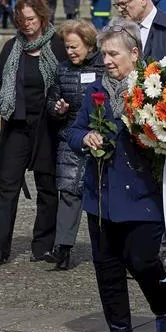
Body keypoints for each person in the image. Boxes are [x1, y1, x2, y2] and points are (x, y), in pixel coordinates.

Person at [66, 22, 166, 332]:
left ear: (134, 54)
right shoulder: (95, 91)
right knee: (107, 265)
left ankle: (165, 309)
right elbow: (74, 131)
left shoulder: (155, 88)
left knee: (142, 260)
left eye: (113, 53)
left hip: (143, 192)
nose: (106, 60)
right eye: (103, 54)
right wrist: (84, 138)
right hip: (100, 194)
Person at [0, 0, 67, 264]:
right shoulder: (11, 47)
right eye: (21, 20)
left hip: (47, 125)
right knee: (7, 185)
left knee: (47, 186)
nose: (26, 24)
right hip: (17, 123)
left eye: (31, 19)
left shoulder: (58, 45)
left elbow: (67, 81)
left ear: (42, 17)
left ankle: (43, 244)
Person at [45, 20, 104, 270]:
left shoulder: (103, 68)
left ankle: (109, 252)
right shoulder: (61, 70)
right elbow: (51, 101)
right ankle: (63, 249)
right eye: (67, 47)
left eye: (75, 47)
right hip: (71, 136)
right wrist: (58, 109)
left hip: (100, 137)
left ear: (90, 46)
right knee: (68, 192)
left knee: (101, 197)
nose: (70, 52)